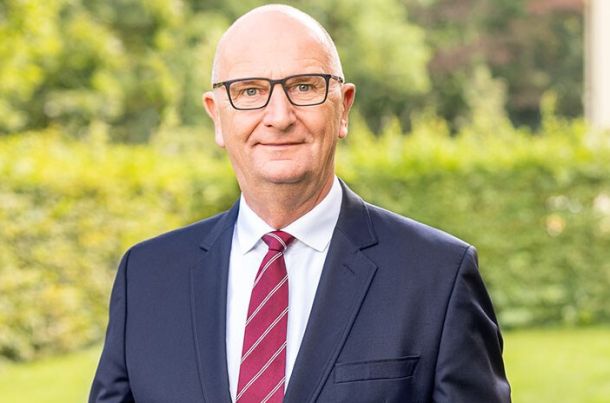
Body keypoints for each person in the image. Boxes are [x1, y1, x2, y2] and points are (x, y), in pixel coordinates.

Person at [89, 4, 511, 403]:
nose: (279, 116)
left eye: (304, 87)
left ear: (343, 108)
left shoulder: (438, 276)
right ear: (216, 115)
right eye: (249, 90)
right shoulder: (145, 277)